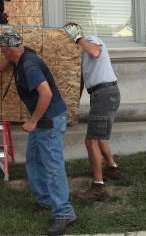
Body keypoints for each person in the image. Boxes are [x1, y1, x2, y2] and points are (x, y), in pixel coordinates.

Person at [0, 29, 77, 236]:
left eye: (2, 49)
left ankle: (64, 212)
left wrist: (33, 121)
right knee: (33, 159)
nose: (1, 52)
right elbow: (7, 63)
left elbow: (46, 93)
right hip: (44, 120)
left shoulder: (29, 66)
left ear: (9, 48)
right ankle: (46, 200)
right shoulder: (21, 55)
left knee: (52, 165)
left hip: (48, 120)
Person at [63, 23, 121, 202]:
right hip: (104, 94)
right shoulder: (82, 53)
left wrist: (78, 37)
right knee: (100, 136)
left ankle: (98, 187)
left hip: (104, 94)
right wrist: (73, 105)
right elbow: (82, 81)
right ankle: (112, 168)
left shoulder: (90, 40)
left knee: (91, 141)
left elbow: (96, 52)